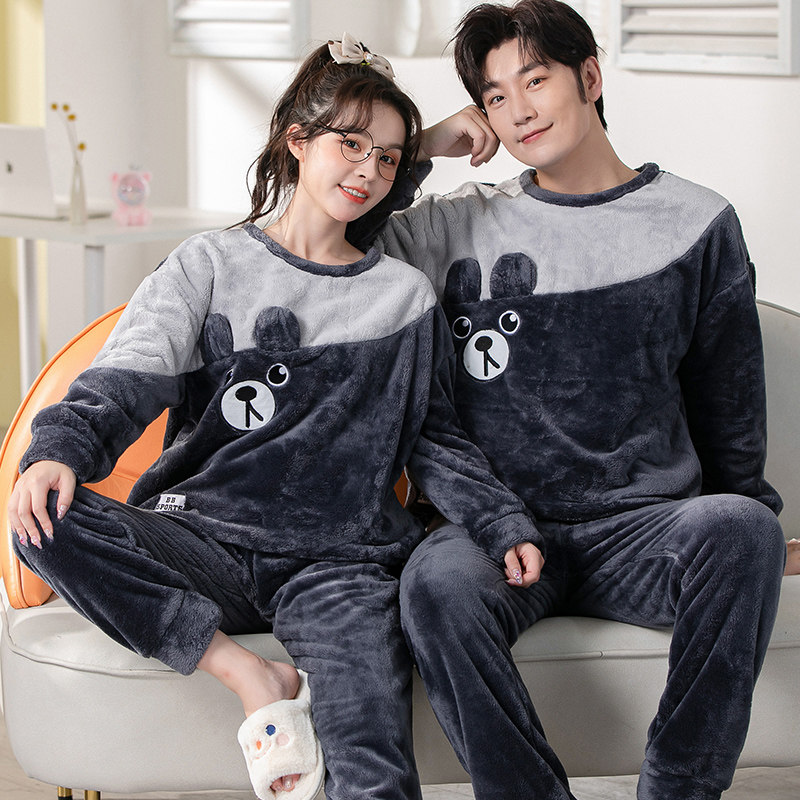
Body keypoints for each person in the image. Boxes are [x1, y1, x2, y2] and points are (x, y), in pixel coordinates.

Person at [7, 34, 541, 800]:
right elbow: (129, 371)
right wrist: (60, 448)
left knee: (371, 759)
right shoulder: (208, 264)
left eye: (388, 158)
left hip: (340, 561)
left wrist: (499, 522)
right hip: (202, 538)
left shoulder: (403, 295)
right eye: (350, 145)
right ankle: (248, 673)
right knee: (39, 519)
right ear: (297, 140)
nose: (369, 170)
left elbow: (435, 438)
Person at [367, 2, 788, 799]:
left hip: (644, 529)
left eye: (535, 80)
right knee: (435, 587)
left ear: (589, 77)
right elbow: (321, 233)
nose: (518, 110)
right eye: (495, 97)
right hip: (499, 535)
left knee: (744, 531)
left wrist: (754, 534)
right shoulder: (455, 227)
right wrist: (417, 145)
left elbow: (729, 406)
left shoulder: (698, 223)